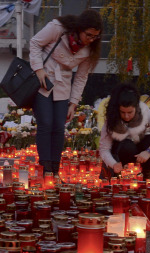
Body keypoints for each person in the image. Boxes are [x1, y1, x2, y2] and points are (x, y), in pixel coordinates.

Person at [29, 9, 103, 176]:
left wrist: (73, 103)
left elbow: (81, 77)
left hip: (63, 88)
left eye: (95, 36)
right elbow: (34, 43)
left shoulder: (89, 50)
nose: (91, 39)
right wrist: (38, 69)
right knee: (46, 124)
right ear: (79, 29)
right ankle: (45, 168)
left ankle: (54, 170)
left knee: (59, 127)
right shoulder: (57, 28)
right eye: (89, 35)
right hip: (42, 82)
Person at [99, 82, 150, 180]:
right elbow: (104, 148)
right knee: (127, 145)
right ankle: (120, 174)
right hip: (122, 151)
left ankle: (146, 173)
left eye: (130, 112)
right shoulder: (112, 119)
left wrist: (149, 151)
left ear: (136, 108)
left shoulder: (144, 112)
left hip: (142, 150)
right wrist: (113, 164)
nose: (126, 116)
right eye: (123, 112)